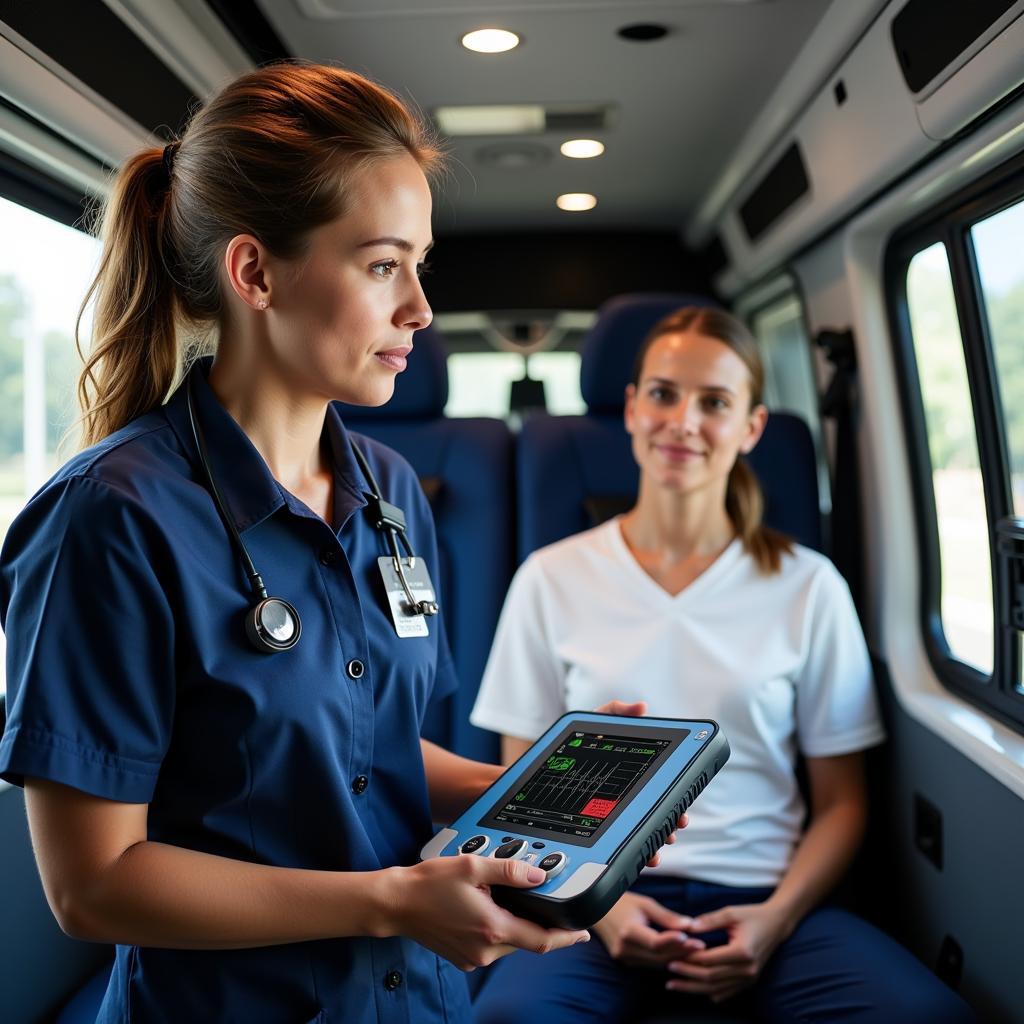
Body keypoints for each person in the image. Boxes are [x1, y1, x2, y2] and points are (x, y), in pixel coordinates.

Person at [0, 62, 606, 1024]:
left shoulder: (392, 490)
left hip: (417, 1001)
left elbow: (374, 745)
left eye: (419, 265)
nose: (420, 308)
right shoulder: (110, 517)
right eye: (381, 265)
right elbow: (94, 885)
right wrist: (384, 902)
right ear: (254, 272)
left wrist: (544, 794)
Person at [469, 307, 976, 1023]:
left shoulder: (809, 585)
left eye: (714, 403)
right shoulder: (550, 579)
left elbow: (842, 803)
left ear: (751, 428)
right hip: (590, 905)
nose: (683, 422)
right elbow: (519, 794)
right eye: (664, 394)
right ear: (632, 408)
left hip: (772, 899)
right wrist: (603, 911)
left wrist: (774, 921)